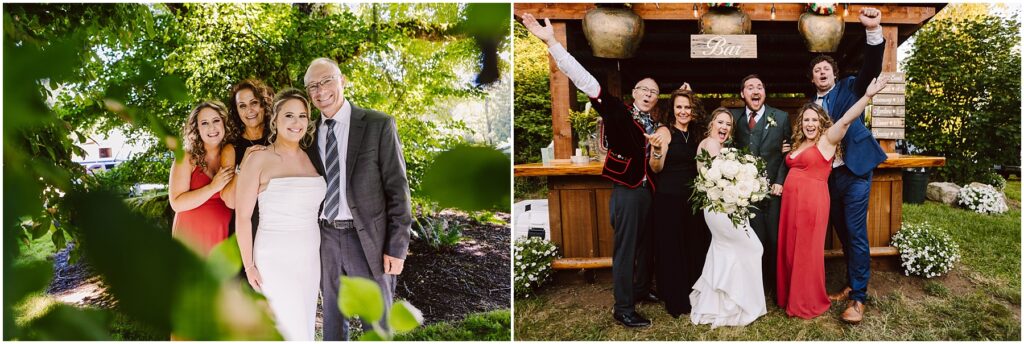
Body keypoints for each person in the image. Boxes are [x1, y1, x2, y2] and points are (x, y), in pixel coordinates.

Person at [523, 13, 658, 328]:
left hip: (647, 191)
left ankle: (639, 290)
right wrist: (553, 43)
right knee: (625, 251)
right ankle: (623, 308)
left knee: (645, 244)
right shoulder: (617, 111)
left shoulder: (656, 122)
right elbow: (585, 80)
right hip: (626, 191)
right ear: (634, 93)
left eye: (654, 91)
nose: (649, 94)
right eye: (644, 90)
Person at [302, 58, 412, 340]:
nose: (320, 90)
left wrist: (397, 248)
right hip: (325, 238)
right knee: (332, 323)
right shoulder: (308, 134)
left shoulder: (378, 125)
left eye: (326, 80)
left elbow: (398, 191)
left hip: (368, 241)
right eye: (313, 86)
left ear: (343, 80)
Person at [777, 76, 889, 320]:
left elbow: (848, 118)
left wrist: (867, 96)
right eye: (805, 119)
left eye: (814, 120)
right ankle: (789, 295)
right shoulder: (798, 144)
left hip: (811, 203)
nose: (809, 124)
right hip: (790, 204)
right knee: (790, 249)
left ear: (822, 122)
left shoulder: (827, 140)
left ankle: (807, 300)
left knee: (806, 251)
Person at [809, 7, 888, 324]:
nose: (823, 73)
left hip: (855, 171)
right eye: (817, 71)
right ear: (812, 78)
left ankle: (858, 298)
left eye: (827, 69)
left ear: (835, 74)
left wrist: (873, 31)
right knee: (842, 231)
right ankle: (851, 284)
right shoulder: (811, 107)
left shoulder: (851, 87)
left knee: (854, 232)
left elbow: (872, 65)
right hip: (828, 178)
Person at [234, 89, 325, 341]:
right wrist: (249, 264)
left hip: (309, 256)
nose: (297, 123)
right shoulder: (258, 158)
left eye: (302, 116)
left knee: (304, 323)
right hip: (274, 257)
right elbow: (242, 217)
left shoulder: (312, 158)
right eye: (289, 116)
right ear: (274, 120)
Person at [689, 107, 767, 328]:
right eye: (720, 122)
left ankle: (723, 306)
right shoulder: (712, 144)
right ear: (712, 123)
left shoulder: (719, 146)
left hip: (722, 207)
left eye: (728, 124)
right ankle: (737, 304)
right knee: (753, 248)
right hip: (720, 209)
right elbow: (719, 178)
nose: (723, 127)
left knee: (724, 253)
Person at [646, 87, 710, 318]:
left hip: (693, 199)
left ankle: (695, 294)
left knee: (694, 246)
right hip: (669, 198)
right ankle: (676, 298)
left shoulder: (697, 133)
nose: (683, 111)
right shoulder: (664, 131)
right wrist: (655, 151)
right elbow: (656, 168)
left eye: (687, 107)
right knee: (672, 248)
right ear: (672, 110)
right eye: (679, 107)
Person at [730, 74, 791, 298]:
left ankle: (776, 286)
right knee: (752, 240)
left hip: (773, 190)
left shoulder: (781, 117)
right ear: (742, 94)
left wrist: (779, 181)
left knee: (774, 239)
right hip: (745, 193)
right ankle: (754, 287)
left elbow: (788, 154)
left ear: (764, 92)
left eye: (760, 87)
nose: (756, 91)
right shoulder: (733, 119)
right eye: (750, 87)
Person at [168, 101, 236, 256]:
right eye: (204, 123)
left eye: (216, 121)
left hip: (221, 240)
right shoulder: (186, 157)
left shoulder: (231, 155)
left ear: (224, 123)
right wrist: (213, 187)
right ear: (197, 129)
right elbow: (176, 203)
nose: (212, 128)